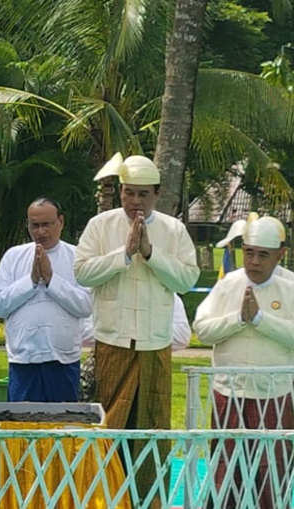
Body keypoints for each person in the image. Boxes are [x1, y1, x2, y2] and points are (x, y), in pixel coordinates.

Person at [74, 152, 199, 503]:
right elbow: (82, 272)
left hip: (154, 347)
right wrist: (124, 255)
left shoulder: (174, 230)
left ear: (157, 194)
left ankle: (147, 501)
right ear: (120, 192)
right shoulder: (101, 225)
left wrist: (150, 253)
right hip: (111, 343)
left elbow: (187, 280)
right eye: (129, 192)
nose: (135, 201)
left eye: (143, 194)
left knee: (151, 432)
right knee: (107, 429)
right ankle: (102, 500)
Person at [194, 214, 294, 509]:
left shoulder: (290, 287)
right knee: (225, 476)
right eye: (249, 252)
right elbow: (202, 329)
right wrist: (239, 318)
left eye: (263, 255)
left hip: (273, 396)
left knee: (271, 477)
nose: (254, 262)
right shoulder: (229, 285)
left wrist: (261, 319)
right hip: (229, 394)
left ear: (281, 254)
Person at [0, 197, 92, 402]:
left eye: (46, 225)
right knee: (21, 428)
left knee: (62, 428)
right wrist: (30, 281)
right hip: (23, 361)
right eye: (35, 225)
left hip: (63, 361)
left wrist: (51, 280)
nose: (41, 232)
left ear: (61, 222)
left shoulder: (77, 257)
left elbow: (86, 305)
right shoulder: (14, 256)